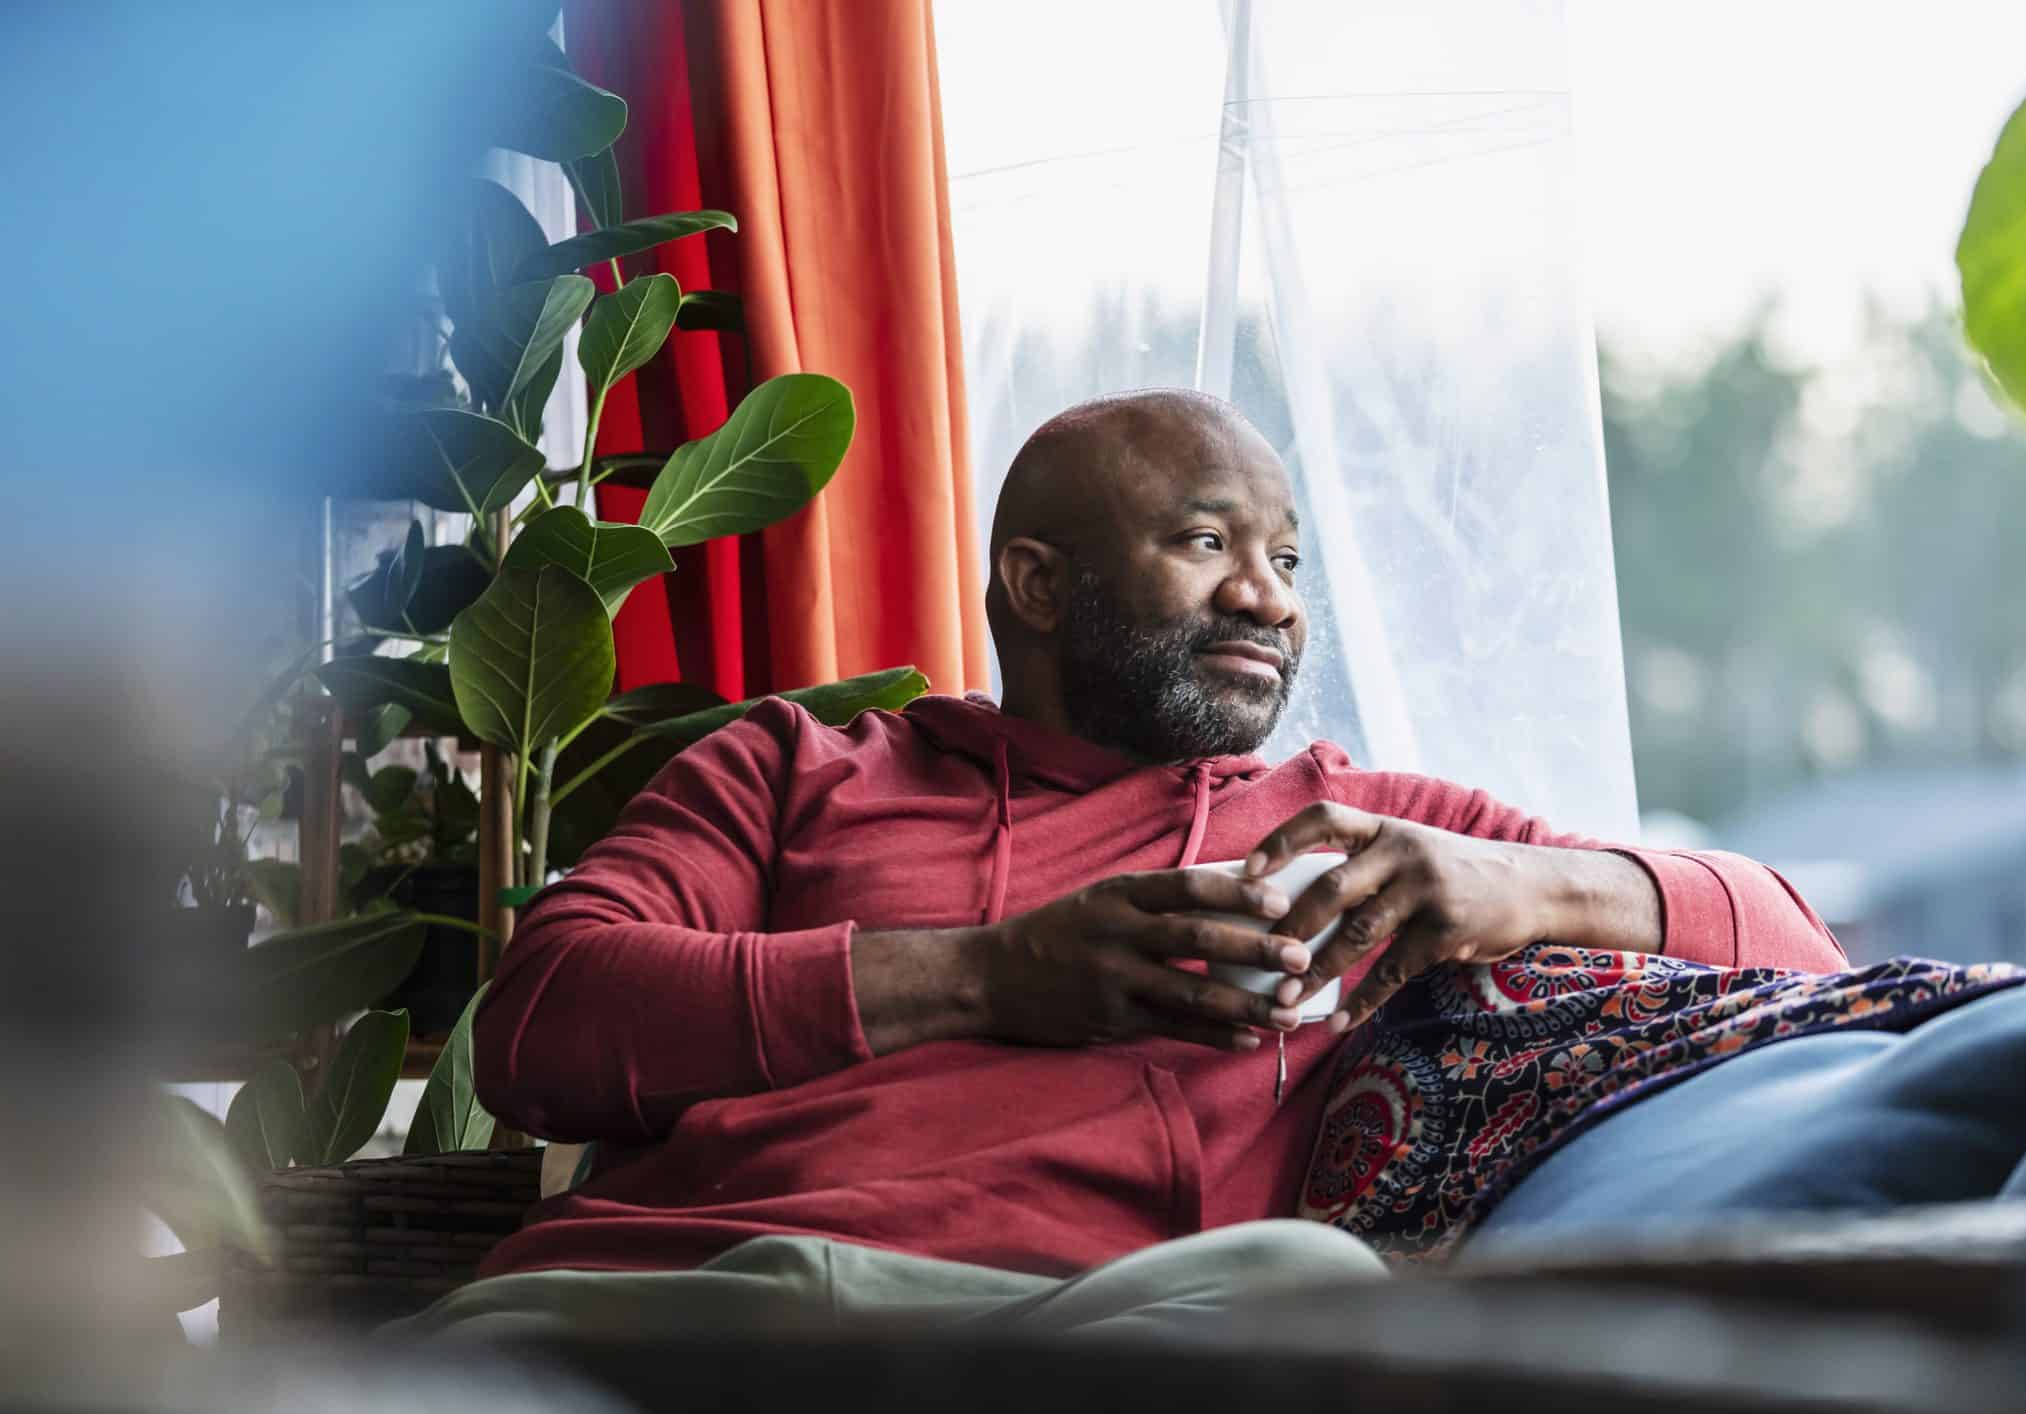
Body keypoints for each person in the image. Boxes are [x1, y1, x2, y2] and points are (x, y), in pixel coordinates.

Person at [401, 389, 1848, 1344]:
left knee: (1317, 1293)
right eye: (1205, 541)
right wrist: (987, 972)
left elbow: (1802, 949)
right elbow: (542, 1029)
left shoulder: (1359, 825)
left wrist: (1518, 886)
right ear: (1036, 585)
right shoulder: (794, 768)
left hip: (1083, 1332)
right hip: (668, 1299)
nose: (1267, 598)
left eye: (1286, 558)